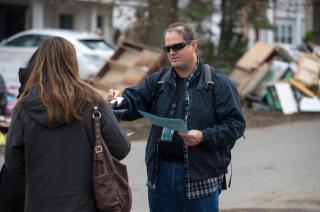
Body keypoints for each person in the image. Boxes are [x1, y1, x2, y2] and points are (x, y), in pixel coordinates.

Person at [107, 22, 246, 211]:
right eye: (167, 48)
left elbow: (235, 125)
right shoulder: (159, 81)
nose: (171, 52)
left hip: (200, 176)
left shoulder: (217, 83)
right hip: (161, 174)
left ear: (193, 46)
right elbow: (134, 100)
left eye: (177, 46)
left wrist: (204, 136)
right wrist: (117, 101)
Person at [5, 37, 131, 212]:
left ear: (40, 63)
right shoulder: (93, 101)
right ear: (72, 62)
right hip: (86, 202)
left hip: (39, 202)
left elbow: (13, 163)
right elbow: (121, 148)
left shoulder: (24, 107)